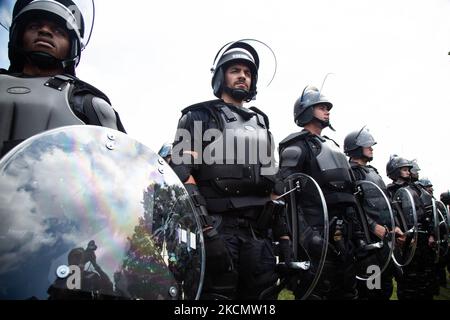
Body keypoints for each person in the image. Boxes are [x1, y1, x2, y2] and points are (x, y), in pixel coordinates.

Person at [170, 40, 289, 300]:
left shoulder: (262, 124)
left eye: (248, 73)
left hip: (259, 236)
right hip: (218, 228)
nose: (242, 76)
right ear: (221, 75)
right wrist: (206, 232)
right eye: (236, 70)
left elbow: (275, 188)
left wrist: (285, 241)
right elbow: (181, 172)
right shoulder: (198, 116)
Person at [0, 0, 126, 158]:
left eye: (58, 31)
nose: (45, 31)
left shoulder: (88, 103)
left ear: (72, 46)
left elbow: (118, 169)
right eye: (34, 26)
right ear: (18, 35)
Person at [276, 86, 367, 300]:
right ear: (305, 110)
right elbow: (286, 196)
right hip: (315, 233)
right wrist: (306, 235)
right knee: (316, 293)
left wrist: (358, 234)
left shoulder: (334, 148)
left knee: (347, 292)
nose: (327, 111)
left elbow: (350, 195)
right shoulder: (296, 146)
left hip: (344, 235)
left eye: (328, 107)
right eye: (321, 107)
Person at [343, 127, 403, 300]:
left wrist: (395, 226)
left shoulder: (374, 173)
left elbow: (387, 204)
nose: (371, 148)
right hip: (366, 242)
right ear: (355, 147)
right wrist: (372, 226)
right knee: (371, 289)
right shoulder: (349, 172)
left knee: (384, 287)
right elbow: (350, 207)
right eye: (367, 144)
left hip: (385, 238)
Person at [386, 156, 436, 300]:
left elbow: (427, 212)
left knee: (425, 274)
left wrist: (431, 234)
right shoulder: (390, 190)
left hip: (422, 237)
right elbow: (389, 213)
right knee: (408, 278)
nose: (408, 172)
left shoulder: (417, 188)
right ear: (395, 171)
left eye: (408, 169)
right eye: (404, 169)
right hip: (405, 239)